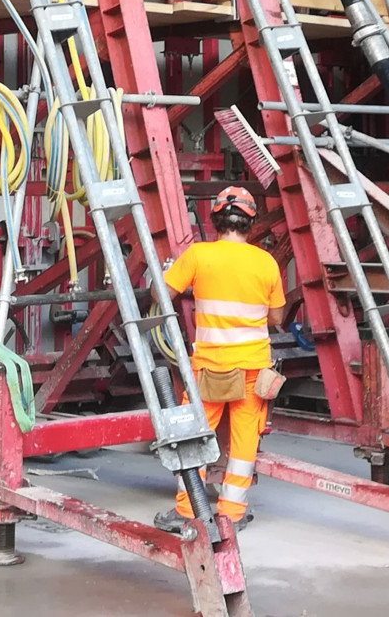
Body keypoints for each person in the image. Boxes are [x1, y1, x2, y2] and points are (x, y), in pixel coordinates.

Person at [154, 186, 285, 533]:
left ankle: (188, 511)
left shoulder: (198, 256)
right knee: (244, 443)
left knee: (194, 437)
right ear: (251, 221)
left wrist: (168, 271)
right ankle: (231, 514)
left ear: (215, 220)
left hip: (208, 369)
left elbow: (160, 294)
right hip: (253, 370)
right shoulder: (266, 262)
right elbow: (276, 318)